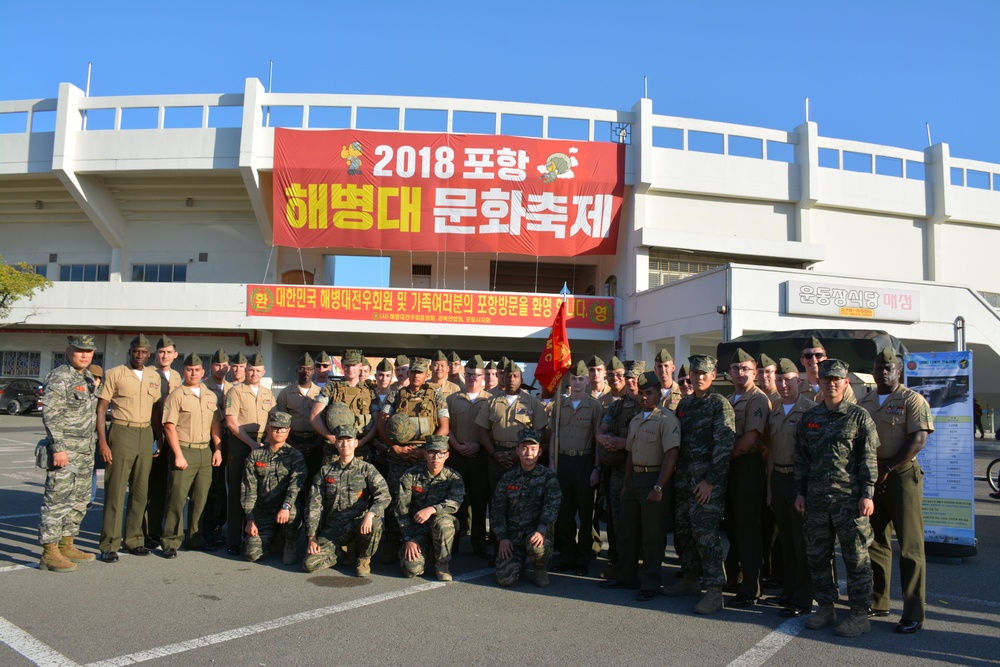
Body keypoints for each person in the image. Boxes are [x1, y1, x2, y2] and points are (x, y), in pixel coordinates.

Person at [795, 359, 878, 638]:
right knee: (818, 556)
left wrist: (867, 494)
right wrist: (800, 492)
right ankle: (826, 607)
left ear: (845, 383)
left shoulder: (859, 417)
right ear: (819, 382)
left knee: (856, 558)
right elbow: (802, 460)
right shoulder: (810, 418)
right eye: (826, 379)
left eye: (836, 379)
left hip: (850, 500)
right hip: (817, 499)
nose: (831, 383)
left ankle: (859, 614)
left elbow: (868, 459)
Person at [858, 348, 933, 634]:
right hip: (872, 477)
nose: (883, 372)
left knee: (910, 547)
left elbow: (919, 439)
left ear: (898, 371)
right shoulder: (864, 401)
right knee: (875, 541)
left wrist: (888, 468)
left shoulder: (912, 399)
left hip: (901, 476)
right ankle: (879, 600)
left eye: (889, 368)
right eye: (879, 367)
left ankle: (913, 612)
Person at [600, 370, 680, 599]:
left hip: (654, 479)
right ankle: (626, 576)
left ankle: (650, 584)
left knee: (652, 536)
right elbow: (631, 455)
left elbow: (671, 456)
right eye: (642, 393)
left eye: (649, 393)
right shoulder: (636, 420)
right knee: (627, 531)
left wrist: (659, 487)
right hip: (634, 479)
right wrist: (626, 484)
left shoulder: (667, 419)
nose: (644, 397)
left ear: (658, 394)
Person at [665, 354, 735, 615]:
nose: (700, 377)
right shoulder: (685, 404)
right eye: (695, 373)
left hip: (706, 485)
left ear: (713, 375)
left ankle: (715, 591)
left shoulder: (720, 405)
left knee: (706, 537)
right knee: (684, 534)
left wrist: (710, 482)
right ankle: (690, 579)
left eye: (705, 373)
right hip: (684, 481)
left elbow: (724, 446)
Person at [378, 357, 450, 561]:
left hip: (425, 457)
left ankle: (424, 543)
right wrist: (396, 448)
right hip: (399, 457)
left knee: (423, 500)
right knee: (396, 500)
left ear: (427, 374)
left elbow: (444, 427)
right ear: (408, 374)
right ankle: (393, 542)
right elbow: (382, 424)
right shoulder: (395, 395)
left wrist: (426, 451)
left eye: (420, 372)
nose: (416, 375)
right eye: (413, 372)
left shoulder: (436, 396)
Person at [97, 334, 162, 562]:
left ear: (149, 354)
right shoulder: (115, 373)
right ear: (130, 351)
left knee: (140, 491)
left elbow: (155, 410)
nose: (140, 355)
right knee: (115, 491)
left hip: (145, 434)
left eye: (144, 352)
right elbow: (101, 408)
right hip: (121, 431)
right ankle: (109, 544)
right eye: (136, 351)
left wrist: (159, 437)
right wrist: (103, 442)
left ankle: (133, 540)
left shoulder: (154, 376)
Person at [38, 335, 99, 572]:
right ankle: (49, 552)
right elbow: (51, 414)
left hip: (85, 450)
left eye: (89, 351)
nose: (84, 355)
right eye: (79, 350)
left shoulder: (86, 377)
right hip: (66, 450)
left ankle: (67, 543)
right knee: (57, 500)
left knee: (80, 500)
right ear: (68, 351)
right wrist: (59, 448)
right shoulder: (59, 377)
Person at [762, 358, 816, 617]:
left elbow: (813, 455)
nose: (783, 385)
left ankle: (803, 598)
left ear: (799, 382)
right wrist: (771, 486)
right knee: (785, 540)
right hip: (780, 479)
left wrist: (804, 490)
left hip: (798, 480)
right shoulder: (774, 411)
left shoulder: (810, 410)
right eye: (780, 380)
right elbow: (772, 450)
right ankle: (789, 590)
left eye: (788, 380)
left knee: (800, 541)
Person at [303, 425, 390, 576]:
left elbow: (384, 495)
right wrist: (312, 537)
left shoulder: (366, 469)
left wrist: (370, 515)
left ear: (356, 443)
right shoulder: (326, 471)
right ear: (335, 443)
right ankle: (340, 552)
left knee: (375, 522)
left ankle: (363, 559)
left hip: (358, 524)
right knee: (309, 564)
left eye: (349, 440)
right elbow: (314, 504)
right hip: (334, 527)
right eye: (341, 441)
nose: (345, 445)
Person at [160, 353, 223, 558]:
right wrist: (178, 454)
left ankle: (195, 538)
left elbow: (216, 424)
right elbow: (169, 426)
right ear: (183, 371)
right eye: (189, 370)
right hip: (184, 449)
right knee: (177, 498)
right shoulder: (177, 395)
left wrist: (218, 449)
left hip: (205, 451)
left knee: (201, 498)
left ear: (203, 372)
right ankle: (171, 541)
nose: (193, 373)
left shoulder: (209, 395)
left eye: (197, 370)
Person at [723, 348, 770, 607]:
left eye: (745, 369)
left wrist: (722, 458)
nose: (740, 373)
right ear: (729, 374)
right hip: (732, 469)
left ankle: (751, 588)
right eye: (735, 369)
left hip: (748, 466)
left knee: (748, 529)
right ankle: (736, 578)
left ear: (754, 373)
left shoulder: (757, 399)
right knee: (733, 526)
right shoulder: (731, 399)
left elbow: (751, 437)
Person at [550, 361, 602, 576]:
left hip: (585, 462)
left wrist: (597, 468)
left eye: (581, 378)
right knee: (565, 513)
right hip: (564, 462)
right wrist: (552, 464)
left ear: (587, 381)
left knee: (586, 513)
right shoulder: (559, 406)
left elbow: (598, 440)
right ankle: (567, 555)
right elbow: (554, 435)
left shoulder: (594, 406)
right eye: (574, 378)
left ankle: (583, 558)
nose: (578, 382)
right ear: (568, 381)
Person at [492, 429, 562, 588]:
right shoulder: (508, 477)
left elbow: (552, 507)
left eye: (533, 449)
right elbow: (498, 509)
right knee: (505, 580)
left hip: (536, 532)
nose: (528, 453)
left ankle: (540, 567)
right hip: (512, 535)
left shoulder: (548, 477)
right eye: (524, 448)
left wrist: (542, 529)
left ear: (540, 452)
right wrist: (503, 537)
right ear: (517, 451)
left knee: (537, 546)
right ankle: (518, 562)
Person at [224, 353, 276, 555]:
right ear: (245, 370)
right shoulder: (235, 392)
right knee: (238, 491)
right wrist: (251, 443)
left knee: (260, 491)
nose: (254, 373)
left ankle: (256, 537)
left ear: (263, 373)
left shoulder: (267, 394)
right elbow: (231, 422)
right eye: (251, 370)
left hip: (263, 441)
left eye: (258, 371)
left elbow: (272, 419)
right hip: (241, 442)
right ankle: (233, 541)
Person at [595, 360, 644, 572]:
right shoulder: (616, 405)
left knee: (642, 520)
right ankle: (619, 560)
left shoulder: (649, 404)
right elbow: (600, 430)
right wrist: (604, 440)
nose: (631, 382)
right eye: (628, 378)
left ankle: (640, 563)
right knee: (618, 517)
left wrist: (625, 443)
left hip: (642, 471)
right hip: (617, 470)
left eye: (635, 379)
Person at [396, 435, 465, 581]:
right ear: (426, 453)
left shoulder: (453, 477)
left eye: (440, 453)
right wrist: (408, 537)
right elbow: (401, 510)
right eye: (432, 452)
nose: (436, 457)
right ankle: (426, 555)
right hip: (416, 529)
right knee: (411, 570)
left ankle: (442, 565)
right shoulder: (411, 476)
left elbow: (455, 502)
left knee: (444, 522)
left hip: (440, 526)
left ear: (446, 455)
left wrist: (433, 509)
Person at [242, 411, 307, 565]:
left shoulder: (295, 455)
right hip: (263, 510)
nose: (279, 432)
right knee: (252, 554)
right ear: (268, 429)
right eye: (275, 428)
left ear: (288, 430)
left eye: (283, 429)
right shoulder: (255, 456)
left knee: (292, 513)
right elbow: (248, 490)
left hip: (284, 508)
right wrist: (250, 519)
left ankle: (289, 543)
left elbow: (296, 487)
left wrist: (286, 506)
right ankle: (273, 536)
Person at [446, 355, 491, 558]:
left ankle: (479, 544)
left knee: (480, 502)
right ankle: (452, 542)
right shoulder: (451, 399)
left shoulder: (491, 401)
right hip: (457, 456)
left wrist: (479, 445)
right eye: (470, 374)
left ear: (483, 377)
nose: (473, 378)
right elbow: (446, 427)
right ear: (465, 375)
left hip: (481, 458)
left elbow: (492, 430)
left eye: (477, 375)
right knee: (455, 501)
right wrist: (456, 445)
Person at [145, 335, 182, 549]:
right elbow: (151, 409)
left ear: (175, 355)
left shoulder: (177, 376)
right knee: (152, 486)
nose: (165, 355)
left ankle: (164, 530)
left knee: (169, 486)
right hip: (153, 434)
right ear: (155, 354)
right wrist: (158, 436)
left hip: (172, 437)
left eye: (169, 352)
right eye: (161, 352)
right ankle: (149, 530)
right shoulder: (148, 374)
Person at [311, 349, 377, 463]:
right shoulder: (331, 389)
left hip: (361, 451)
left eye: (354, 365)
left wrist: (362, 441)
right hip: (334, 451)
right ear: (342, 366)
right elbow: (314, 416)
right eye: (347, 365)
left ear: (360, 366)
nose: (350, 369)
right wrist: (331, 438)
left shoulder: (370, 391)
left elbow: (378, 422)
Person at [201, 348, 231, 547]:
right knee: (213, 486)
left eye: (224, 365)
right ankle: (208, 527)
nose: (221, 368)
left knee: (227, 487)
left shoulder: (233, 388)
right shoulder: (204, 387)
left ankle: (220, 525)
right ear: (211, 366)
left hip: (231, 440)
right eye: (217, 365)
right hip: (211, 441)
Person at [276, 353, 321, 480]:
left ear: (314, 371)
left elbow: (325, 421)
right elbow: (281, 423)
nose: (305, 372)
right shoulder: (285, 393)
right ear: (296, 370)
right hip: (292, 441)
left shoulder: (321, 393)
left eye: (309, 369)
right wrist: (293, 445)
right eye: (302, 368)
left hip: (315, 441)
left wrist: (316, 445)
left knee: (314, 480)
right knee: (291, 480)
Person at [800, 336, 856, 404]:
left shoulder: (841, 387)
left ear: (825, 359)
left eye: (818, 355)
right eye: (808, 356)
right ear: (802, 361)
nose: (813, 359)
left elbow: (851, 411)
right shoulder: (796, 390)